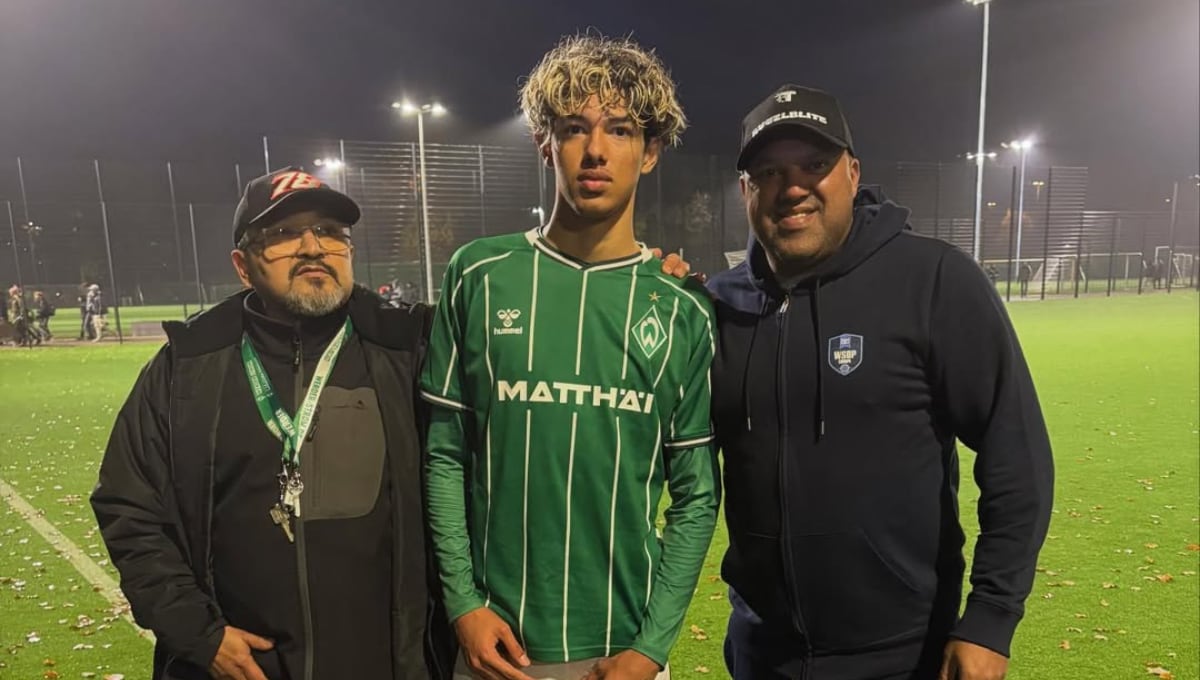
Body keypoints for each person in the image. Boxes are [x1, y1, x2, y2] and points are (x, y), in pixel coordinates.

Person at [707, 85, 1054, 680]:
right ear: (746, 191)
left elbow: (1015, 453)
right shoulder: (716, 308)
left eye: (814, 165)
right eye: (768, 172)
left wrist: (992, 618)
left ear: (852, 172)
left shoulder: (935, 281)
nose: (792, 188)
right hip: (762, 657)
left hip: (907, 654)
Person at [422, 35, 720, 680]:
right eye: (573, 128)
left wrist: (652, 647)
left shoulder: (682, 308)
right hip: (494, 645)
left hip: (621, 652)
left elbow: (697, 494)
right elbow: (446, 453)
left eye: (620, 130)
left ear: (651, 152)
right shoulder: (480, 274)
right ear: (543, 140)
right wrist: (464, 604)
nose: (595, 150)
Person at [91, 167, 453, 680]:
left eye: (330, 232)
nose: (313, 247)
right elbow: (128, 505)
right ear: (243, 266)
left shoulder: (410, 349)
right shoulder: (187, 366)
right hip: (241, 668)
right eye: (284, 234)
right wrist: (198, 633)